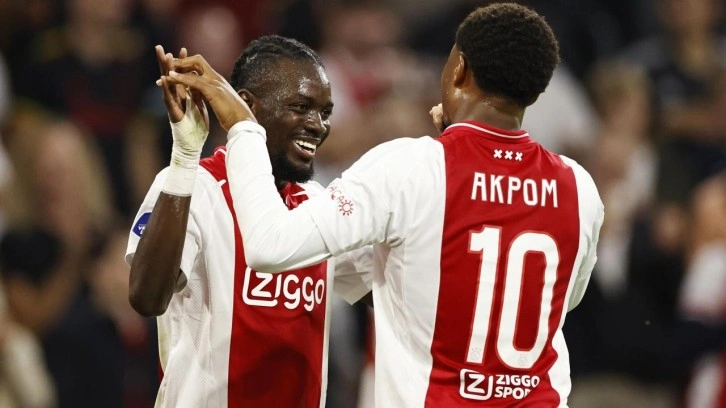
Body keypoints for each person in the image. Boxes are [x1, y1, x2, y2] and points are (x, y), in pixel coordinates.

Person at [167, 3, 604, 407]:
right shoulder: (578, 188)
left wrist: (243, 126)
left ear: (459, 69)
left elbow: (269, 245)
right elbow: (559, 299)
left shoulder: (412, 168)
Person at [127, 36, 372, 408]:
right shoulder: (195, 185)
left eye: (325, 112)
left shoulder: (316, 203)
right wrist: (185, 155)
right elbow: (146, 297)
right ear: (247, 106)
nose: (318, 126)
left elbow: (387, 292)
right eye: (301, 107)